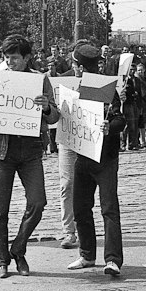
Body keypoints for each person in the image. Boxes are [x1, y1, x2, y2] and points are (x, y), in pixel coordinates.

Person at [0, 34, 59, 279]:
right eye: (6, 58)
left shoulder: (40, 80)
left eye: (15, 58)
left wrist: (46, 106)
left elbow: (55, 116)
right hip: (0, 150)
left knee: (38, 202)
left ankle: (18, 248)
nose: (10, 62)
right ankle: (1, 259)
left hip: (30, 151)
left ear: (27, 57)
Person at [66, 44, 127, 277]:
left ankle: (112, 260)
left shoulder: (105, 88)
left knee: (109, 208)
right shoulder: (71, 88)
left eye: (74, 65)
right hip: (83, 154)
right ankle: (87, 254)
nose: (72, 68)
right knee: (80, 207)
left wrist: (108, 126)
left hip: (106, 158)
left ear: (80, 67)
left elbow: (120, 120)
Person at [57, 43, 93, 249]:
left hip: (88, 138)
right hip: (67, 138)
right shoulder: (62, 80)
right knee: (67, 184)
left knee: (86, 186)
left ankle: (84, 228)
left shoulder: (98, 81)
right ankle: (69, 231)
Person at [136, 63, 146, 148]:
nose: (140, 72)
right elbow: (143, 93)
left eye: (141, 70)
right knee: (139, 123)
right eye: (139, 70)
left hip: (145, 103)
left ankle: (143, 141)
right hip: (141, 103)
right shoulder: (138, 80)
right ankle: (139, 141)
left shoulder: (144, 79)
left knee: (142, 123)